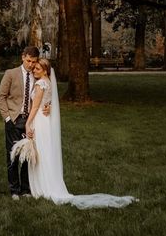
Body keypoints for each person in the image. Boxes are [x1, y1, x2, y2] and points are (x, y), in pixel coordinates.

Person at [24, 58, 137, 210]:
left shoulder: (40, 84)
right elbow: (46, 102)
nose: (34, 71)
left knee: (41, 153)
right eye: (34, 68)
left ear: (45, 70)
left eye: (38, 69)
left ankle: (43, 187)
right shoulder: (48, 82)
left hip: (39, 120)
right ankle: (48, 183)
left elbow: (36, 106)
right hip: (46, 122)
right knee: (45, 152)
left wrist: (27, 123)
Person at [0, 46, 47, 200]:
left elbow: (42, 95)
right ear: (23, 57)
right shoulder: (11, 74)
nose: (31, 65)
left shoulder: (36, 76)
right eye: (28, 61)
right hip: (13, 120)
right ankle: (14, 190)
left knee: (27, 156)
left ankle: (25, 189)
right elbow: (0, 97)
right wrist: (7, 118)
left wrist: (47, 106)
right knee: (13, 156)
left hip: (30, 121)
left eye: (34, 62)